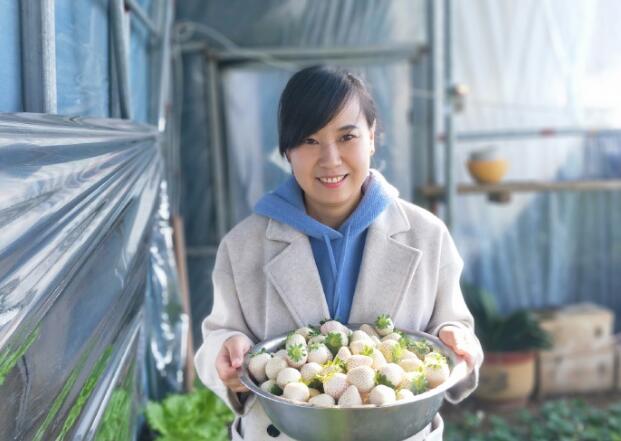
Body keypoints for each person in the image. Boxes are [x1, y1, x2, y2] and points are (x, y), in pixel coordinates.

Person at [194, 65, 484, 441]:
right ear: (286, 150)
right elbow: (218, 335)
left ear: (373, 137)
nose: (330, 159)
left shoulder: (427, 235)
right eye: (310, 141)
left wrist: (453, 337)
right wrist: (225, 354)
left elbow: (453, 327)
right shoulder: (243, 245)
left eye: (347, 136)